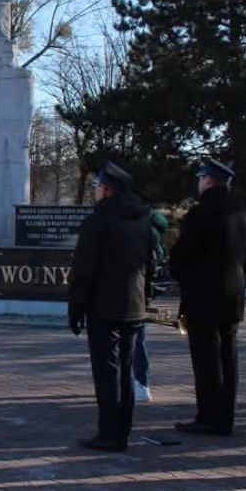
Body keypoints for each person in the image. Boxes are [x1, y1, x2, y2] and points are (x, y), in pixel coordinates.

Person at [67, 161, 154, 452]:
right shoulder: (142, 218)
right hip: (134, 305)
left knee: (106, 372)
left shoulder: (99, 221)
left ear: (106, 189)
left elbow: (83, 270)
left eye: (96, 186)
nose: (94, 191)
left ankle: (108, 433)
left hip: (104, 307)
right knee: (126, 370)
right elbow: (149, 263)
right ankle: (123, 430)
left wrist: (75, 309)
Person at [169, 159, 246, 437]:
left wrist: (177, 269)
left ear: (208, 181)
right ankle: (225, 415)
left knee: (206, 358)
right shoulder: (241, 212)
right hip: (233, 293)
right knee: (228, 356)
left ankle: (208, 416)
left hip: (204, 294)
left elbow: (183, 256)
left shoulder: (201, 214)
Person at [133, 208, 170, 403]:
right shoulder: (151, 231)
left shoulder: (141, 231)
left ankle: (140, 382)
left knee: (136, 339)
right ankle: (140, 382)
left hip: (135, 292)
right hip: (144, 292)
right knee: (139, 337)